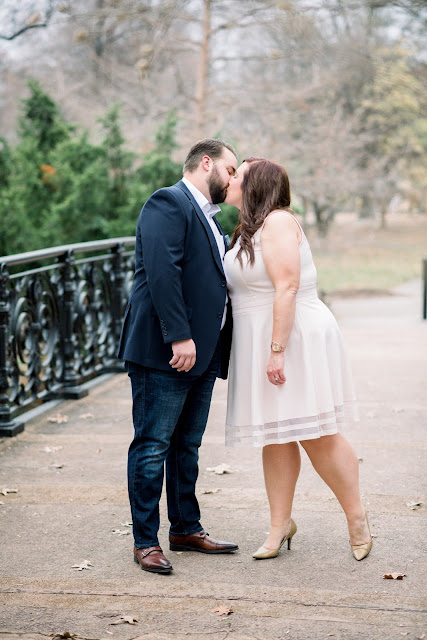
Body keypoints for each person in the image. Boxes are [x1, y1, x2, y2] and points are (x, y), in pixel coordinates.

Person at [223, 158, 372, 561]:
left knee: (317, 434)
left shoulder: (278, 223)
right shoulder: (247, 229)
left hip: (293, 337)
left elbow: (286, 288)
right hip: (260, 338)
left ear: (256, 186)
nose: (231, 178)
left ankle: (357, 519)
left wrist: (276, 350)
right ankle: (279, 526)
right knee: (275, 435)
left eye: (238, 173)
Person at [117, 139, 239, 574]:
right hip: (166, 352)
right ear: (205, 163)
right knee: (152, 445)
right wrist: (179, 337)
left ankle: (185, 527)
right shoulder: (167, 202)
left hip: (202, 354)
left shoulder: (208, 217)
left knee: (186, 446)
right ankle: (145, 540)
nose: (232, 178)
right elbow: (163, 272)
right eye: (230, 169)